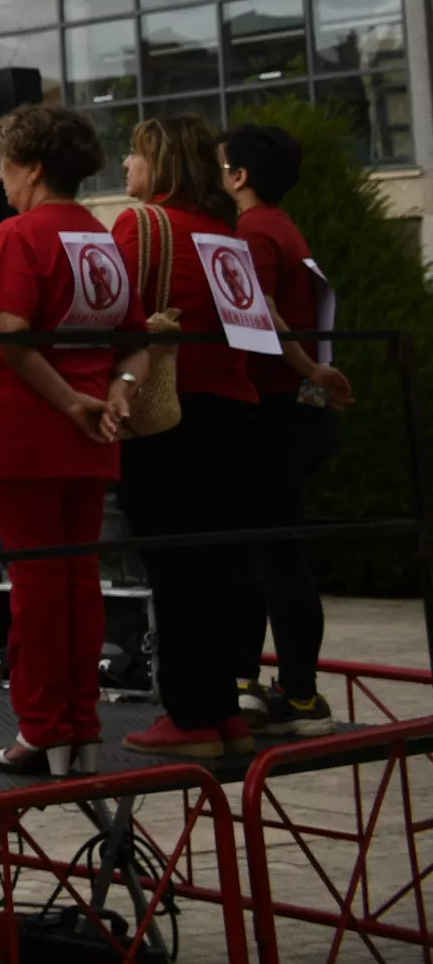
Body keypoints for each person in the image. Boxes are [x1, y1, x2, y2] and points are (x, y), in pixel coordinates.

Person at [0, 103, 147, 776]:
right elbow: (136, 338)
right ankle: (80, 726)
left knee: (37, 587)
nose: (2, 181)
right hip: (91, 432)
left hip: (29, 431)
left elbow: (12, 332)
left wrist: (70, 399)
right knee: (77, 582)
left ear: (34, 167)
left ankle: (43, 730)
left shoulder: (20, 233)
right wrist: (117, 390)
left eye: (5, 168)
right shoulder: (99, 236)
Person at [111, 113, 266, 760]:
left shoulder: (140, 225)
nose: (125, 166)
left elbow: (117, 308)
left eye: (134, 153)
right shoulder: (223, 231)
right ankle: (226, 710)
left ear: (160, 161)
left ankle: (189, 715)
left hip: (170, 411)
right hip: (236, 407)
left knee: (173, 565)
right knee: (222, 561)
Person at [221, 124, 356, 735]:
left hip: (274, 407)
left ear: (239, 176)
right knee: (269, 552)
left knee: (271, 556)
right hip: (295, 410)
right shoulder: (281, 224)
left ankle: (295, 695)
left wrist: (311, 368)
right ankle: (263, 686)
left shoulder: (250, 231)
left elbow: (262, 313)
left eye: (221, 165)